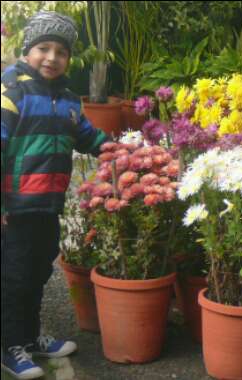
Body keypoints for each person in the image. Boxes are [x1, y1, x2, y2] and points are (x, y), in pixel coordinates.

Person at [1, 11, 108, 380]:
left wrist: (121, 151)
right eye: (43, 48)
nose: (51, 57)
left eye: (60, 51)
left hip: (47, 206)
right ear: (27, 50)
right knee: (12, 277)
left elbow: (89, 137)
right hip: (13, 209)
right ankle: (9, 345)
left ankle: (29, 338)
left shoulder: (67, 100)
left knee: (37, 273)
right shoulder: (11, 93)